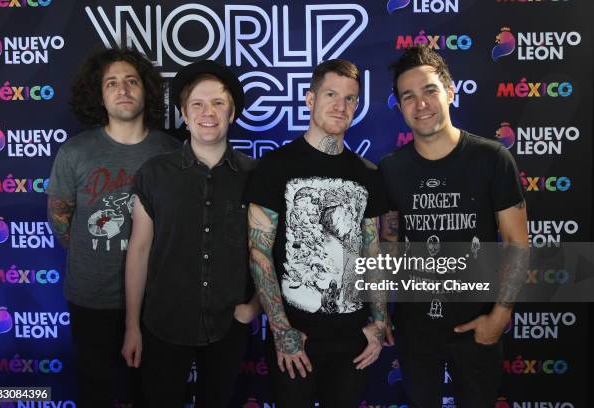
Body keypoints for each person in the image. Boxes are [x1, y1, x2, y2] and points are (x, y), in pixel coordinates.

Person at [379, 45, 528, 407]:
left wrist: (500, 315)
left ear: (450, 91)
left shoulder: (492, 158)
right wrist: (380, 311)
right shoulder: (390, 168)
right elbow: (387, 246)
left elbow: (516, 241)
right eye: (408, 96)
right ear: (399, 108)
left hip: (478, 326)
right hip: (415, 331)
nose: (421, 104)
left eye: (430, 90)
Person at [245, 59, 390, 407]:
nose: (340, 106)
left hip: (353, 338)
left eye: (350, 98)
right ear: (310, 99)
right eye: (331, 94)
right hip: (298, 336)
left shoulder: (367, 174)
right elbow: (258, 251)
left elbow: (373, 252)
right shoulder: (275, 167)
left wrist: (380, 323)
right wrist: (282, 331)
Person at [46, 47, 180, 407]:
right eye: (112, 83)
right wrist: (94, 253)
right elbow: (60, 217)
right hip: (92, 299)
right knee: (96, 392)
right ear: (99, 94)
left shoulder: (171, 152)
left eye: (131, 81)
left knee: (152, 394)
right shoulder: (75, 153)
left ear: (146, 90)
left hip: (156, 301)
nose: (123, 89)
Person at [120, 60, 259, 408]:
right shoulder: (154, 173)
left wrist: (254, 307)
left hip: (228, 324)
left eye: (218, 103)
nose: (207, 112)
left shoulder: (254, 176)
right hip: (163, 323)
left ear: (232, 113)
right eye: (196, 104)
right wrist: (132, 326)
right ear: (183, 113)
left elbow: (266, 252)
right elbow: (138, 250)